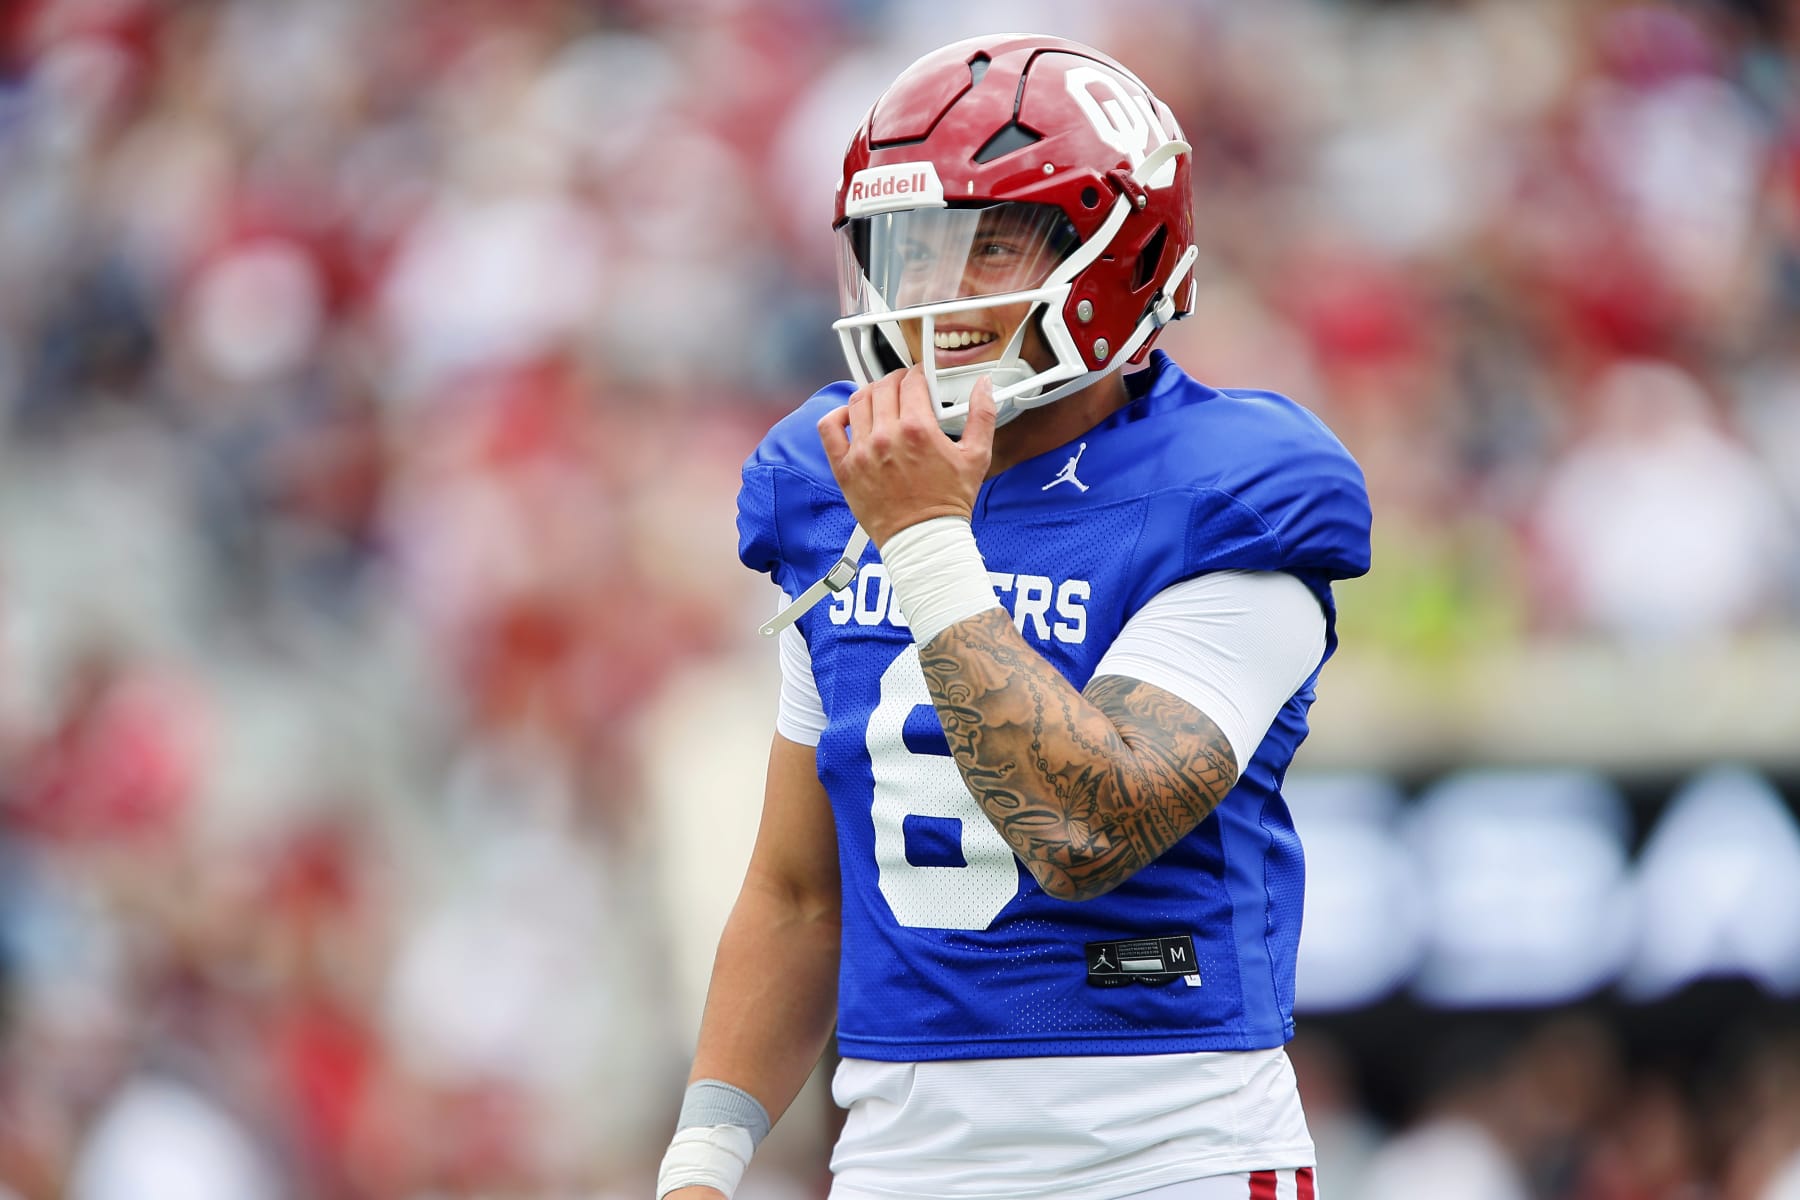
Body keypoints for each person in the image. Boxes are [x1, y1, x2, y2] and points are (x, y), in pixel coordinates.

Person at [657, 32, 1371, 1200]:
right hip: (897, 1159)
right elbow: (799, 893)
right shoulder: (829, 479)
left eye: (987, 246)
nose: (935, 293)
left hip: (1168, 1156)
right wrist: (703, 1163)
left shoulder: (1231, 489)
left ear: (1121, 255)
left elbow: (1085, 829)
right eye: (911, 251)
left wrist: (932, 545)